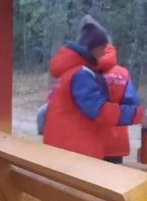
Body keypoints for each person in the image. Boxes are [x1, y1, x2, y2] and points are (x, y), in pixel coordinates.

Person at [43, 15, 147, 159]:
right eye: (104, 48)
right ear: (94, 47)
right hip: (76, 153)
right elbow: (98, 111)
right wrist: (138, 114)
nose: (106, 52)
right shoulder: (81, 74)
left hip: (64, 150)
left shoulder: (68, 72)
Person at [97, 44, 141, 164]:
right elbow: (133, 106)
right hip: (117, 140)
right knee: (112, 180)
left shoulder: (87, 72)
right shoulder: (123, 74)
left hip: (92, 138)